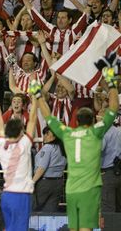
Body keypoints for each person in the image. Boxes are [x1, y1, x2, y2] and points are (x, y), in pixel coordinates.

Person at [31, 64, 119, 230]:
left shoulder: (67, 133)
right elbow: (113, 108)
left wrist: (37, 93)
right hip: (90, 190)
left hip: (71, 190)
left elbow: (47, 115)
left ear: (76, 122)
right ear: (93, 121)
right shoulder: (96, 132)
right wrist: (111, 81)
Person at [0, 95, 38, 231]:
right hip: (21, 196)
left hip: (6, 195)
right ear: (20, 132)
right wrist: (35, 99)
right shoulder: (24, 144)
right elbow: (32, 120)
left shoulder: (0, 145)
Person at [32, 127, 67, 212]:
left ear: (50, 134)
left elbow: (41, 168)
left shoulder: (47, 148)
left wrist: (32, 182)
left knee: (34, 209)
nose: (43, 137)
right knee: (50, 213)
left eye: (45, 134)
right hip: (58, 183)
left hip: (45, 183)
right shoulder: (63, 148)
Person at [98, 108, 121, 212]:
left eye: (98, 115)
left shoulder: (103, 132)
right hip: (119, 171)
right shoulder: (119, 131)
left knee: (108, 208)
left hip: (108, 173)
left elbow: (98, 149)